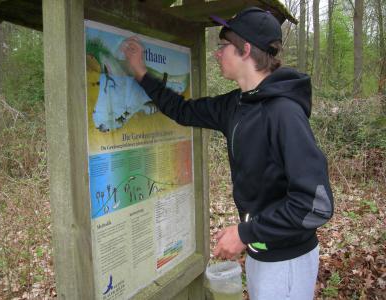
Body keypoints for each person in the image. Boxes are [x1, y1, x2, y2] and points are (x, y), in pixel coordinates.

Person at [121, 7, 333, 300]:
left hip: (287, 261)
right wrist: (141, 74)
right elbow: (183, 110)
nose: (217, 54)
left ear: (245, 50)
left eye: (223, 46)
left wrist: (244, 234)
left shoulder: (284, 113)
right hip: (261, 249)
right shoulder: (237, 104)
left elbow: (315, 203)